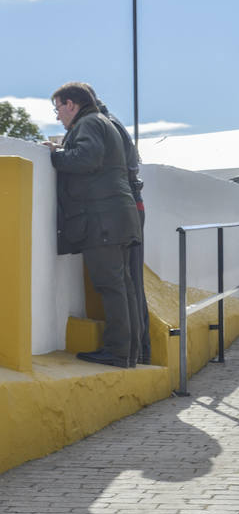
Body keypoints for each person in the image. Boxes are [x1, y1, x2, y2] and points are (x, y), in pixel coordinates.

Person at [47, 82, 142, 368]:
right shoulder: (105, 122)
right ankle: (129, 353)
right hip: (119, 217)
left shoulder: (88, 123)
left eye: (58, 108)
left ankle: (117, 352)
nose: (57, 116)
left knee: (111, 287)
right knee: (123, 287)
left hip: (102, 221)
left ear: (71, 105)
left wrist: (55, 153)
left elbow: (87, 158)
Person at [86, 85, 151, 364]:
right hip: (132, 206)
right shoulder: (113, 123)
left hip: (122, 210)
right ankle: (139, 352)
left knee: (128, 285)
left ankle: (136, 351)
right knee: (130, 284)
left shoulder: (102, 126)